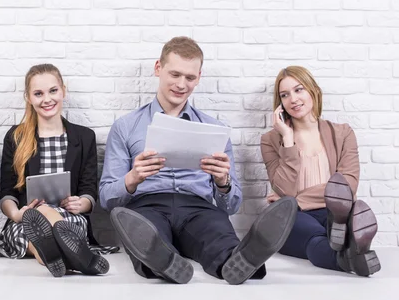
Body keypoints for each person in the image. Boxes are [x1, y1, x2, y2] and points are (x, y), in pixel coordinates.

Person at [99, 36, 298, 285]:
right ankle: (162, 261)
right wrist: (132, 178)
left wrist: (223, 182)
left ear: (199, 77)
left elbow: (231, 206)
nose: (182, 84)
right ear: (158, 68)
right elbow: (108, 199)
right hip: (147, 205)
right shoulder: (125, 127)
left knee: (217, 235)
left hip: (198, 207)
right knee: (147, 236)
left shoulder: (214, 129)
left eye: (190, 78)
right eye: (175, 74)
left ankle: (240, 260)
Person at [0, 63, 116, 277]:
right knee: (34, 222)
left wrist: (81, 203)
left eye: (53, 91)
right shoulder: (16, 137)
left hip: (69, 220)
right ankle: (80, 259)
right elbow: (7, 193)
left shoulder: (84, 137)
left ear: (63, 91)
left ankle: (54, 257)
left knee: (54, 227)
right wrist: (16, 213)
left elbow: (89, 190)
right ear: (28, 98)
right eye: (38, 93)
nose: (47, 99)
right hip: (25, 223)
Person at [261, 66, 380, 276]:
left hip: (335, 214)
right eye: (284, 95)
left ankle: (348, 245)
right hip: (294, 216)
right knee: (315, 237)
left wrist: (297, 199)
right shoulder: (271, 140)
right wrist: (288, 139)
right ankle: (350, 260)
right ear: (279, 104)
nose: (293, 99)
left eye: (299, 90)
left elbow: (347, 186)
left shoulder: (343, 133)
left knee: (339, 220)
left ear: (313, 90)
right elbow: (285, 190)